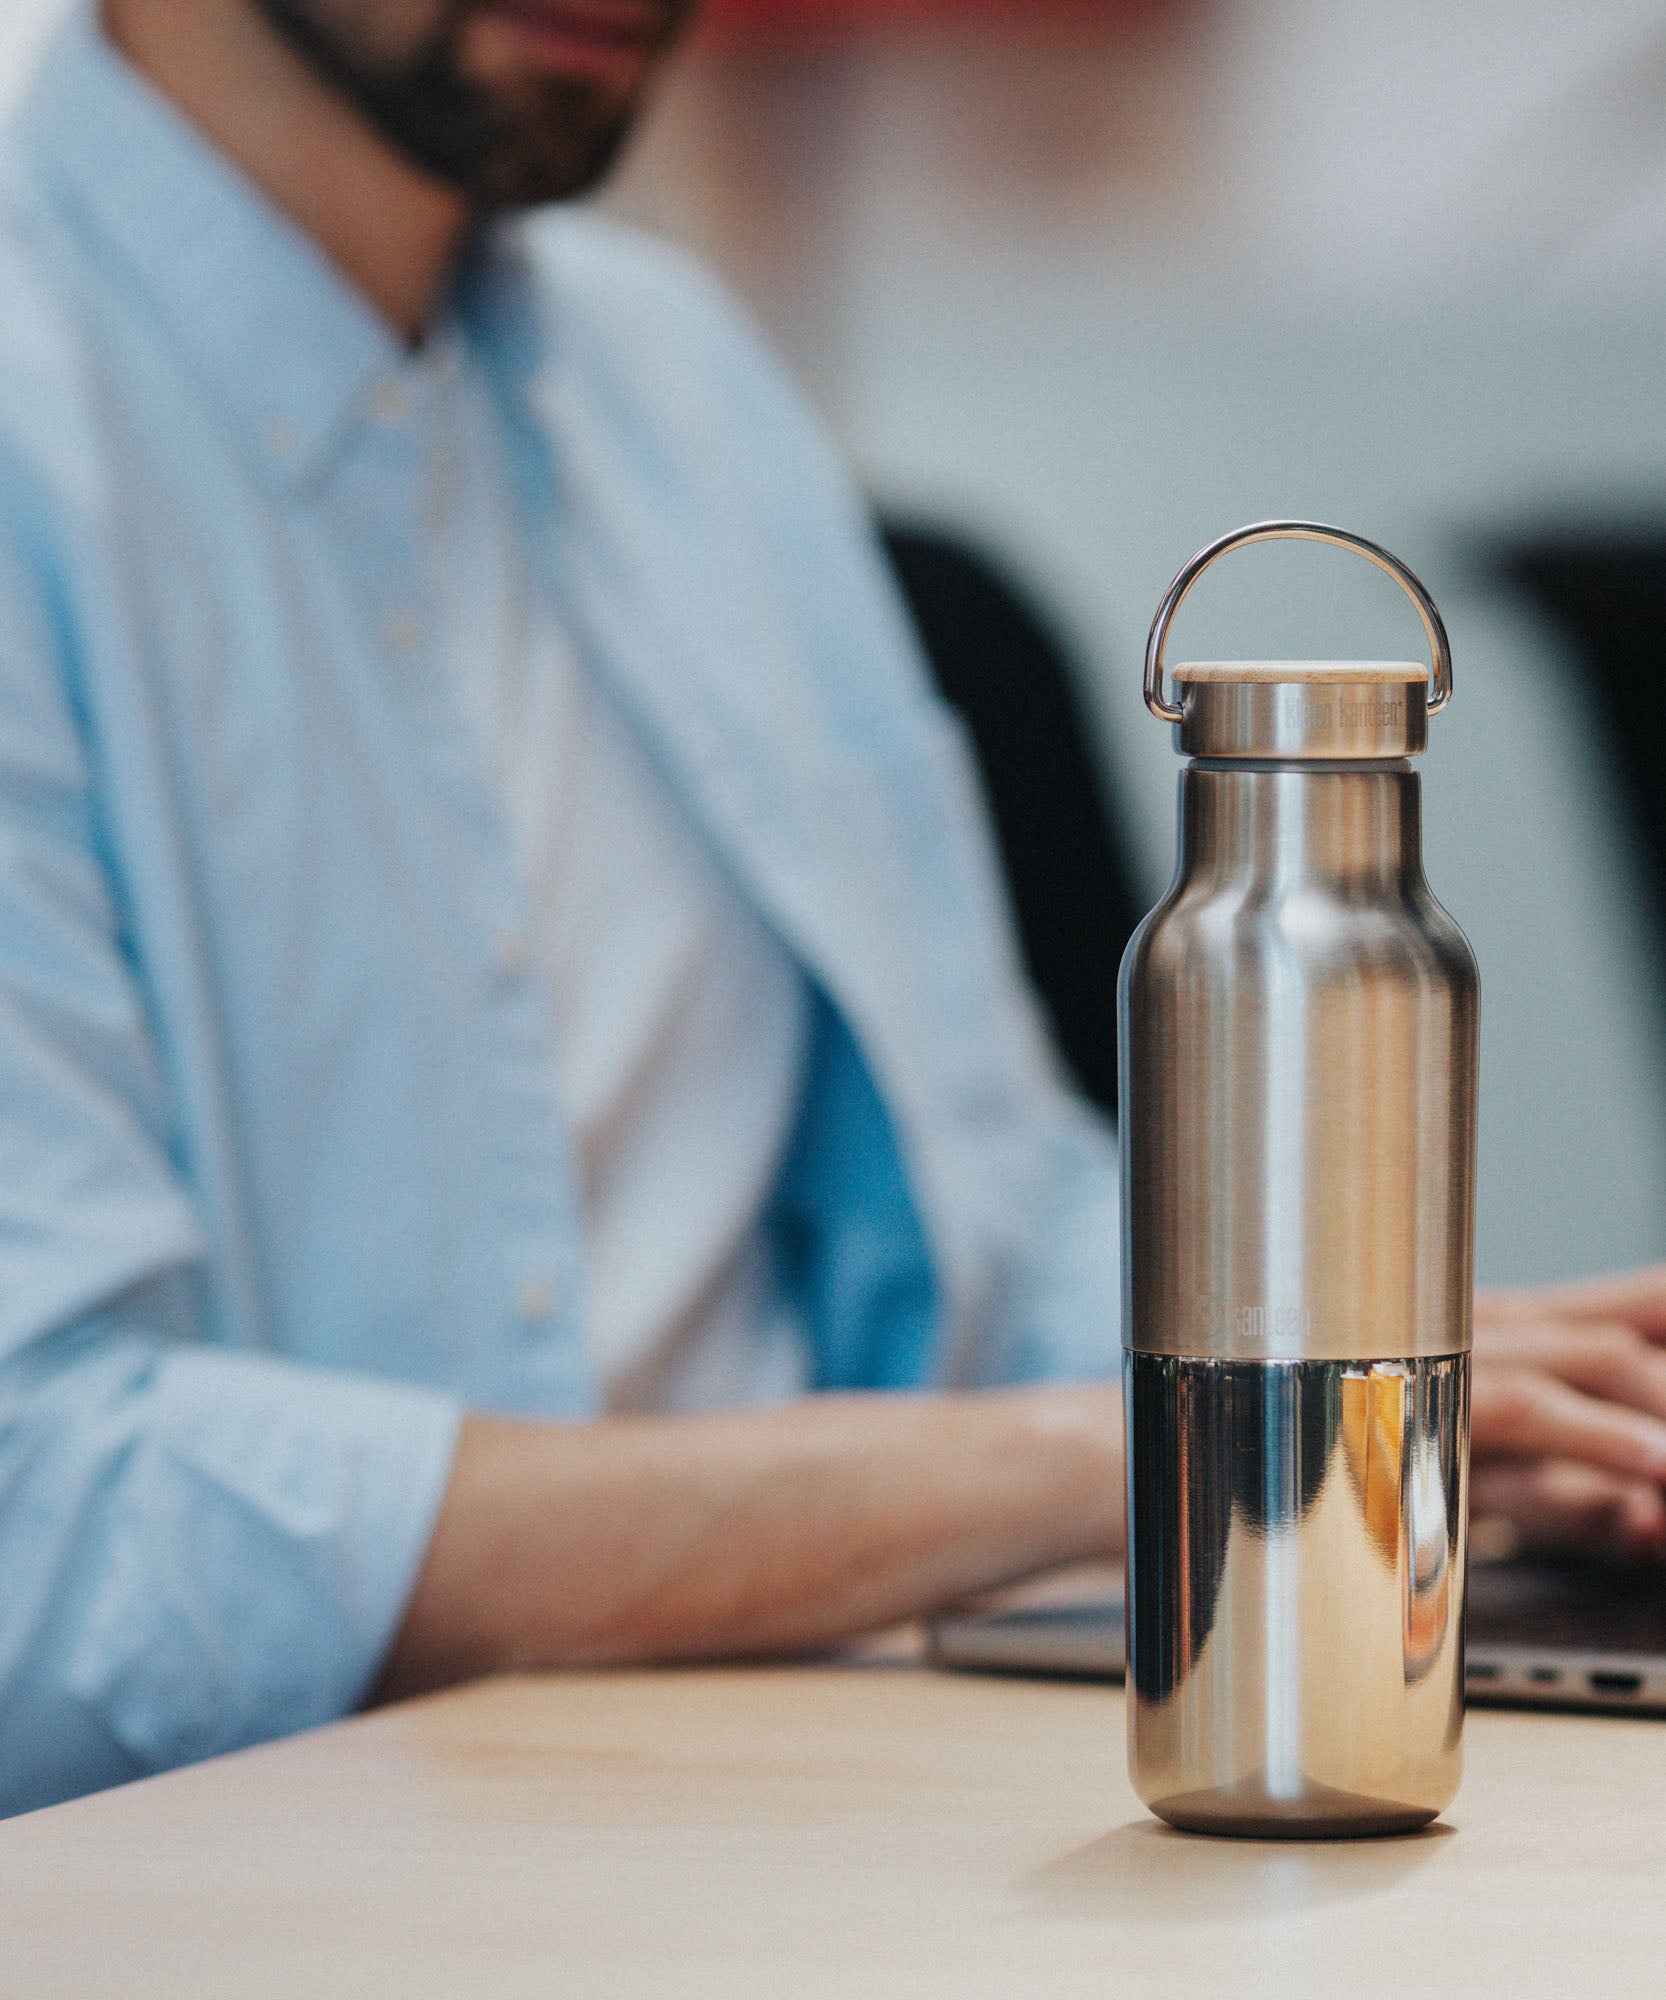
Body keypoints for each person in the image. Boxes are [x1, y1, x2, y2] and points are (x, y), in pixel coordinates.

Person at [0, 0, 1661, 1819]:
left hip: (836, 1764)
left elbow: (984, 1232)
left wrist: (1432, 1393)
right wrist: (1116, 1447)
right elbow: (50, 1541)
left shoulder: (677, 391)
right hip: (283, 1863)